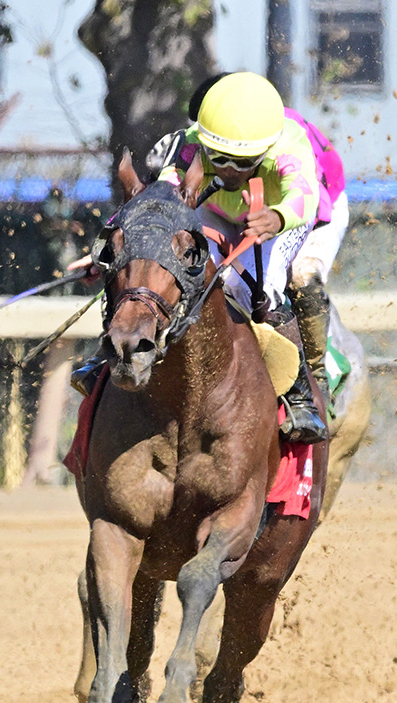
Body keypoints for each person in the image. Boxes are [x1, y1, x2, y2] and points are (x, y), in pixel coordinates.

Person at [74, 71, 329, 444]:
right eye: (220, 158)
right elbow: (154, 206)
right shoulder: (186, 146)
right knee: (175, 269)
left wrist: (276, 218)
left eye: (243, 163)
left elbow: (304, 198)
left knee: (265, 287)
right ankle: (111, 353)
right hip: (215, 208)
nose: (229, 170)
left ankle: (301, 395)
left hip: (280, 215)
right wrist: (103, 251)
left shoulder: (290, 146)